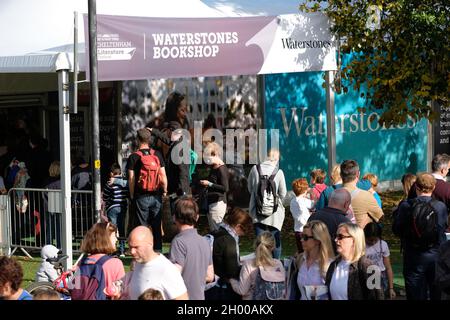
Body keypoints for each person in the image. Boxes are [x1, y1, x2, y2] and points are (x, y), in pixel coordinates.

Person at [393, 173, 448, 300]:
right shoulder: (440, 207)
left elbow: (397, 229)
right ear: (433, 187)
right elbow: (441, 229)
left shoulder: (406, 206)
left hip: (413, 256)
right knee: (436, 293)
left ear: (416, 187)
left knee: (414, 293)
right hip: (435, 255)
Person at [113, 226, 188, 300]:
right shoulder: (137, 264)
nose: (132, 252)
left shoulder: (167, 270)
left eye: (136, 247)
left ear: (150, 244)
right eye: (130, 247)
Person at [127, 128, 168, 252]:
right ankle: (158, 251)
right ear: (149, 139)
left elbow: (131, 178)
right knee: (156, 225)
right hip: (156, 196)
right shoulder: (157, 154)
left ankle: (143, 251)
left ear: (138, 139)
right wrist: (165, 190)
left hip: (141, 196)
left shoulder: (134, 157)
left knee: (142, 226)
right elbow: (163, 176)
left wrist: (132, 195)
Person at [169, 196, 214, 300]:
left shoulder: (178, 242)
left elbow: (174, 275)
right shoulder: (205, 242)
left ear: (174, 217)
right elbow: (210, 276)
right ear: (197, 217)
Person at [325, 222, 383, 300]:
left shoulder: (370, 267)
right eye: (335, 236)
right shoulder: (333, 265)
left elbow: (378, 296)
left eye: (340, 237)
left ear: (354, 240)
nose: (335, 240)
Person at [247, 149, 287, 259]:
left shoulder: (254, 169)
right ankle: (276, 264)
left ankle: (261, 263)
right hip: (274, 213)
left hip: (257, 210)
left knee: (260, 241)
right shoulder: (279, 172)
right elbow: (283, 194)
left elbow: (250, 188)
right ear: (277, 159)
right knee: (275, 240)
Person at [206, 208, 252, 300]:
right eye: (244, 231)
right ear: (238, 226)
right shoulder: (229, 241)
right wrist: (246, 268)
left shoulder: (216, 232)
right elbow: (232, 271)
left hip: (208, 284)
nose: (243, 234)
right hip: (221, 288)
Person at [71, 222, 125, 300]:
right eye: (114, 236)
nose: (116, 239)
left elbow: (73, 290)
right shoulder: (115, 263)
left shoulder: (82, 263)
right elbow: (121, 294)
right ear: (106, 239)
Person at [229, 231, 286, 300]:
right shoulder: (278, 263)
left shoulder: (248, 264)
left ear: (255, 245)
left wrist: (232, 280)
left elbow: (242, 291)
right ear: (273, 247)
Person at [291, 221, 334, 300]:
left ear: (317, 240)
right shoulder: (300, 260)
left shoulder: (329, 265)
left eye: (305, 237)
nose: (301, 240)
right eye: (301, 236)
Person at [341, 160, 384, 228]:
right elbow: (381, 217)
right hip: (360, 236)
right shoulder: (366, 196)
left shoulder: (332, 195)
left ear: (341, 175)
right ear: (358, 174)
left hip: (340, 235)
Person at [308, 189, 352, 254]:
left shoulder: (313, 216)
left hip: (314, 258)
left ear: (329, 200)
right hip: (334, 260)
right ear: (346, 204)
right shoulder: (345, 222)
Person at [200, 142, 229, 232]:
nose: (207, 159)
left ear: (215, 154)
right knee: (213, 230)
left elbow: (225, 188)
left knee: (216, 231)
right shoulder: (214, 167)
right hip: (211, 202)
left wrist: (209, 184)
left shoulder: (222, 169)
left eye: (208, 156)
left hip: (218, 203)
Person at [364, 222, 396, 299]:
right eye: (370, 240)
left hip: (381, 277)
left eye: (375, 240)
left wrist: (391, 288)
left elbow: (388, 267)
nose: (373, 242)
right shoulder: (362, 246)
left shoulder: (383, 244)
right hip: (367, 276)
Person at [103, 163, 128, 257]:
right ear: (120, 173)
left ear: (111, 173)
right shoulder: (124, 183)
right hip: (122, 207)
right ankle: (122, 250)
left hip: (112, 207)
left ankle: (112, 249)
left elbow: (105, 196)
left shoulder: (110, 183)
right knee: (121, 228)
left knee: (112, 229)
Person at [289, 178, 314, 253]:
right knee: (308, 252)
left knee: (300, 251)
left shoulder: (293, 201)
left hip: (297, 230)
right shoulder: (303, 200)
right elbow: (313, 204)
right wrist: (312, 194)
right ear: (305, 190)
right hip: (305, 230)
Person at [42, 161, 62, 249]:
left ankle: (48, 245)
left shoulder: (46, 181)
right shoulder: (61, 181)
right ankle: (59, 245)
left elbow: (44, 194)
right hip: (58, 205)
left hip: (48, 205)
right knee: (59, 227)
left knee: (50, 227)